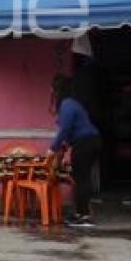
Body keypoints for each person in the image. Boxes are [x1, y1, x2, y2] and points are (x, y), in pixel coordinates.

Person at [48, 74, 101, 227]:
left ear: (57, 90)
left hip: (86, 143)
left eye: (52, 88)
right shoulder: (71, 104)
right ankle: (81, 213)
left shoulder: (67, 105)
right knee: (80, 177)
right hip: (89, 141)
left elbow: (65, 130)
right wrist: (62, 148)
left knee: (81, 178)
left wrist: (53, 149)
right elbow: (69, 132)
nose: (51, 91)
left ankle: (84, 217)